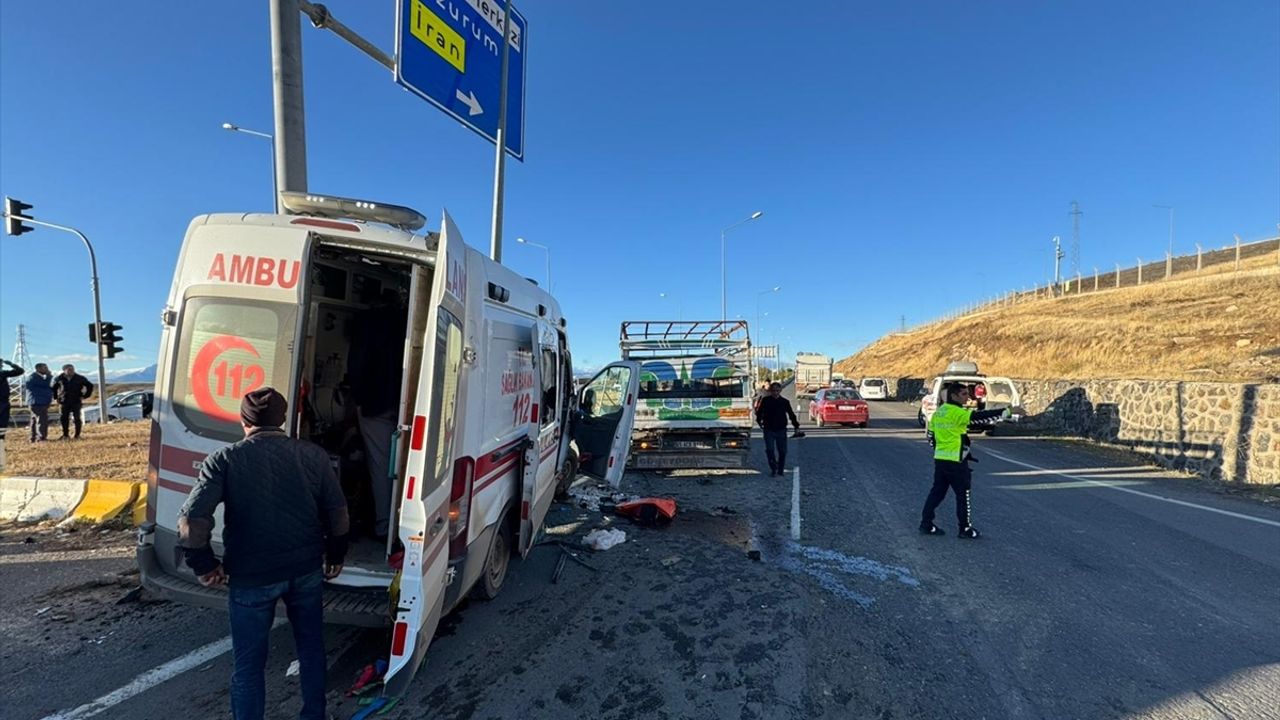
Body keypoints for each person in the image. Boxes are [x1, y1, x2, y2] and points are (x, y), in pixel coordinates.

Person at [178, 387, 349, 720]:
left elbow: (192, 520)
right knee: (311, 648)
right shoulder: (313, 455)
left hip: (251, 576)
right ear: (283, 419)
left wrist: (203, 564)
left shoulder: (224, 460)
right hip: (305, 568)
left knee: (249, 665)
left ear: (243, 420)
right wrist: (336, 554)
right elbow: (338, 511)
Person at [346, 288, 408, 539]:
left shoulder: (367, 323)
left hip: (375, 405)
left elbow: (357, 365)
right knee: (405, 466)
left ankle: (384, 526)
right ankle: (402, 523)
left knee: (380, 466)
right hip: (406, 403)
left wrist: (358, 399)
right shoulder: (407, 318)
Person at [919, 382, 1008, 539]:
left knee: (937, 493)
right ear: (954, 396)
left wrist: (939, 450)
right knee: (963, 495)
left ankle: (926, 524)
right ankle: (965, 529)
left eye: (968, 393)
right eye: (964, 394)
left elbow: (931, 436)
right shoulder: (958, 413)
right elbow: (978, 418)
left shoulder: (940, 412)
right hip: (956, 462)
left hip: (941, 459)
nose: (968, 397)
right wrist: (1006, 411)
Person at [755, 381, 800, 477]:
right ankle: (773, 468)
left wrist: (796, 426)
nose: (775, 392)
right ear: (770, 391)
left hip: (781, 430)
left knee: (782, 451)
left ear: (780, 391)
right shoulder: (766, 401)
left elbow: (791, 415)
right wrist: (759, 422)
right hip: (768, 429)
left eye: (777, 390)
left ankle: (780, 469)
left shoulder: (785, 402)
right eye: (773, 390)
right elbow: (759, 412)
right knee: (770, 450)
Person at [52, 364, 94, 439]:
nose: (71, 371)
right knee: (64, 418)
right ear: (64, 370)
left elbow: (90, 386)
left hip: (76, 400)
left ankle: (77, 435)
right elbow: (54, 388)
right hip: (64, 401)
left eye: (72, 369)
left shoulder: (80, 378)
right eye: (69, 369)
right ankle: (65, 435)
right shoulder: (59, 378)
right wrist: (56, 398)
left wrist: (85, 396)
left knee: (77, 418)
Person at [24, 363, 54, 443]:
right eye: (45, 368)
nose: (47, 369)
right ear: (38, 369)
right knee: (42, 420)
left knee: (35, 420)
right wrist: (49, 376)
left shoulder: (36, 377)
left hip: (38, 402)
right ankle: (41, 438)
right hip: (38, 402)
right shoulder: (34, 377)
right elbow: (45, 385)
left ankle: (33, 437)